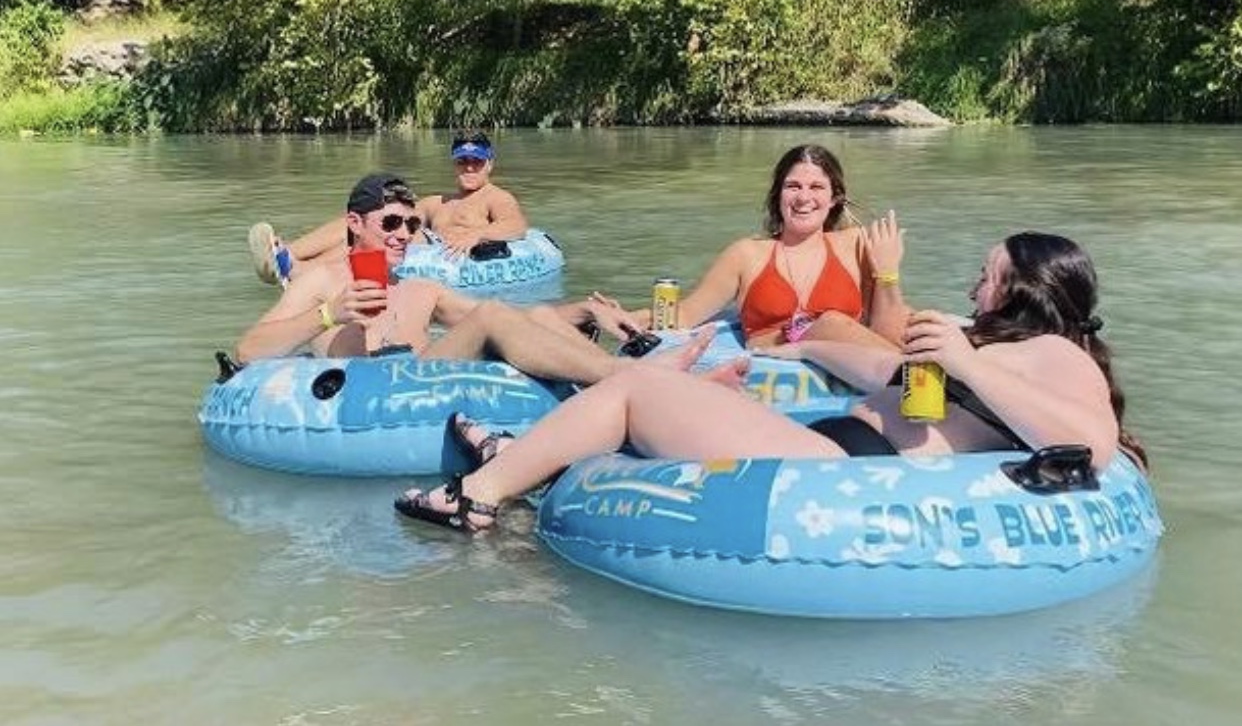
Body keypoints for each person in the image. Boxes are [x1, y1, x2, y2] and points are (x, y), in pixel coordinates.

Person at [394, 232, 1148, 532]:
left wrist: (967, 359)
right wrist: (802, 349)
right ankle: (524, 457)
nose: (975, 287)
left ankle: (478, 495)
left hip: (854, 475)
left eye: (988, 278)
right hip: (834, 445)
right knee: (695, 395)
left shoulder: (1058, 354)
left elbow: (1095, 446)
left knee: (639, 392)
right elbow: (881, 366)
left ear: (1027, 291)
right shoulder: (988, 345)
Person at [236, 172, 718, 388]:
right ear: (355, 223)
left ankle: (630, 377)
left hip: (423, 375)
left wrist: (586, 311)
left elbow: (511, 320)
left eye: (410, 224)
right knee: (490, 313)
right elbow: (248, 349)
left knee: (534, 313)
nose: (403, 235)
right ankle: (633, 379)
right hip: (366, 390)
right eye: (390, 224)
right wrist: (329, 315)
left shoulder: (419, 289)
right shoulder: (323, 281)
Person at [602, 144, 909, 349]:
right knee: (829, 322)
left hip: (847, 367)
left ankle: (919, 374)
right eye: (793, 187)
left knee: (918, 324)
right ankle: (909, 373)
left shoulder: (855, 245)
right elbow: (684, 315)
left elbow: (888, 333)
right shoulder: (746, 254)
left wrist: (887, 273)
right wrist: (627, 317)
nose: (804, 198)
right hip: (775, 366)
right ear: (778, 196)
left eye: (816, 187)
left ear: (834, 199)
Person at [246, 131, 528, 285]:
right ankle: (289, 254)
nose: (469, 167)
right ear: (453, 163)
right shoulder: (437, 201)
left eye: (476, 161)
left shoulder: (496, 197)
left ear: (490, 163)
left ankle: (299, 271)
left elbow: (516, 226)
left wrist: (474, 236)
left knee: (396, 233)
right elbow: (388, 220)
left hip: (449, 255)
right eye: (462, 160)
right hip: (430, 247)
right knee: (370, 221)